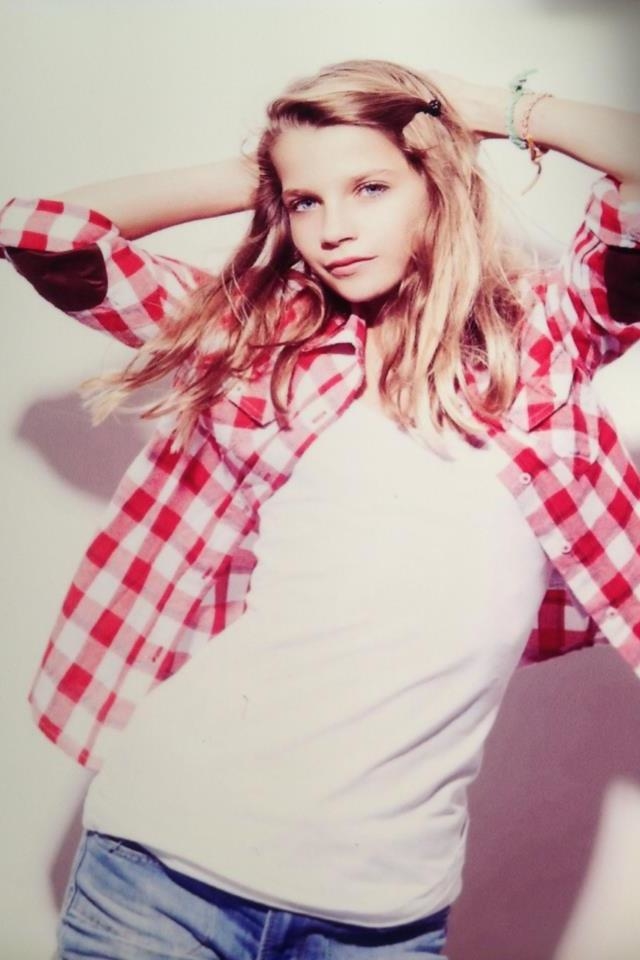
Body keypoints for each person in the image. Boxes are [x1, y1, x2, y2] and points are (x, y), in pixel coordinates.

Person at [1, 58, 639, 960]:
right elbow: (38, 232)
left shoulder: (539, 342)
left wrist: (488, 110)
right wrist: (275, 170)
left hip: (383, 917)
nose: (334, 229)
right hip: (163, 877)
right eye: (307, 203)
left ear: (437, 181)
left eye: (371, 187)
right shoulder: (268, 346)